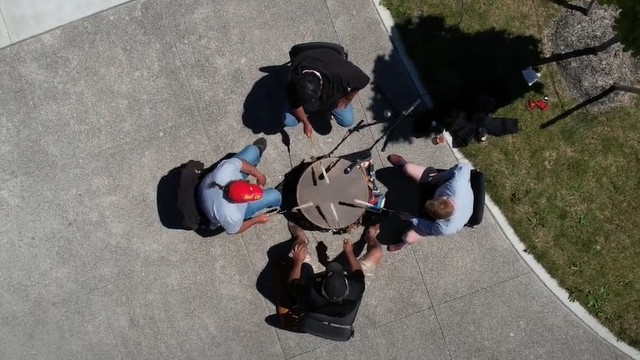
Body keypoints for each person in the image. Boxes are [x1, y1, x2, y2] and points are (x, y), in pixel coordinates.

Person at [287, 222, 382, 317]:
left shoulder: (310, 293)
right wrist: (349, 252)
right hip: (338, 309)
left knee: (298, 248)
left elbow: (293, 282)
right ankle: (370, 235)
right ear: (346, 283)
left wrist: (298, 261)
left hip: (318, 299)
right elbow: (357, 271)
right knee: (376, 253)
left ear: (322, 285)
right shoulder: (356, 287)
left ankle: (300, 237)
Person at [386, 154, 474, 252]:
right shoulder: (456, 183)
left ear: (439, 219)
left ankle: (403, 243)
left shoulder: (445, 228)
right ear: (445, 198)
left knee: (408, 238)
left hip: (441, 205)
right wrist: (443, 176)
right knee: (408, 168)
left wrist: (413, 218)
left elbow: (429, 227)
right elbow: (464, 167)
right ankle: (402, 165)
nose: (429, 200)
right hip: (438, 184)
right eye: (433, 200)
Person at [197, 138, 282, 234]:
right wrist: (256, 220)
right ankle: (280, 196)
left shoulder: (225, 172)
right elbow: (236, 230)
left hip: (206, 192)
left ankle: (257, 153)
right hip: (212, 210)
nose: (249, 181)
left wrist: (259, 174)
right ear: (241, 202)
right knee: (274, 195)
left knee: (252, 150)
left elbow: (241, 162)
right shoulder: (232, 215)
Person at [284, 48, 370, 138]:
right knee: (289, 121)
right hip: (311, 94)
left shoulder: (340, 71)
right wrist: (305, 122)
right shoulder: (292, 78)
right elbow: (295, 104)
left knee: (347, 121)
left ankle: (325, 111)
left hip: (334, 98)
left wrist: (348, 98)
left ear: (321, 86)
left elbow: (364, 80)